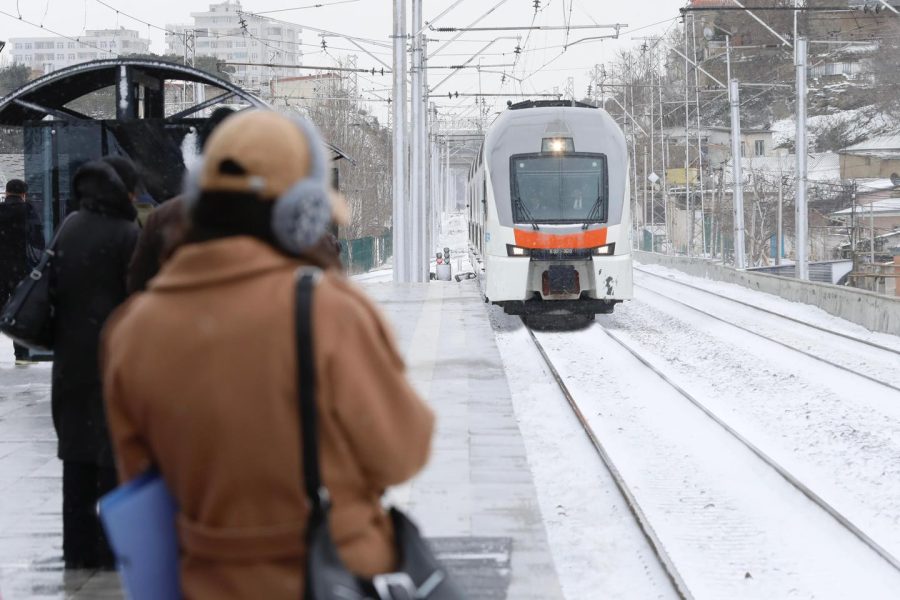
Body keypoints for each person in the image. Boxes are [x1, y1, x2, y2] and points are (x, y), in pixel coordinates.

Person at [102, 110, 433, 599]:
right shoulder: (330, 310)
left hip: (208, 584)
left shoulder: (130, 331)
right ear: (302, 212)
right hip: (336, 575)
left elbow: (143, 482)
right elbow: (401, 455)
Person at [50, 159, 140, 569]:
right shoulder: (127, 233)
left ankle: (76, 549)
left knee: (76, 457)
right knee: (112, 458)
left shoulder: (70, 225)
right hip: (114, 361)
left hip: (71, 362)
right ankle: (108, 550)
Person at [0, 179, 44, 363]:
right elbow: (38, 240)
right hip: (21, 268)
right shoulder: (28, 210)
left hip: (0, 268)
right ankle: (22, 355)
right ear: (24, 194)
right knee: (20, 310)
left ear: (7, 193)